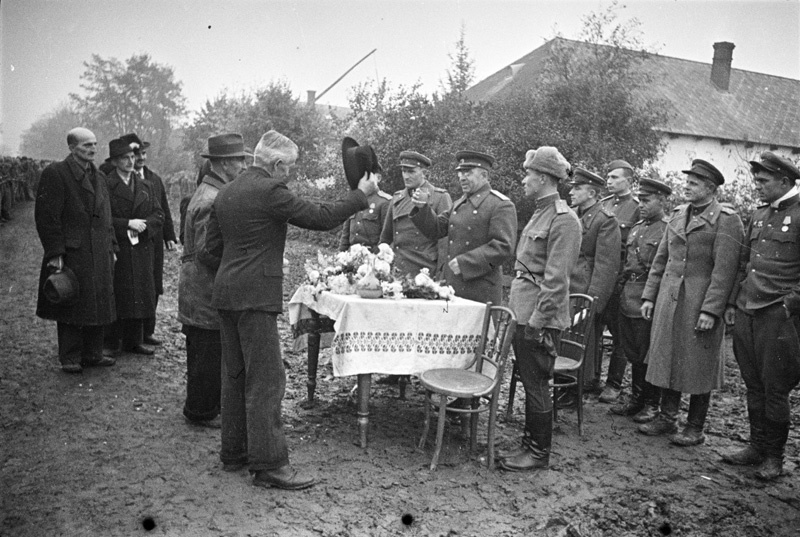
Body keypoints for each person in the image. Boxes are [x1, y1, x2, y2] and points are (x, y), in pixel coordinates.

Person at [203, 130, 378, 490]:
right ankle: (269, 466)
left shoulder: (227, 192)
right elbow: (320, 216)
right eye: (290, 168)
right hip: (254, 298)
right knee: (267, 381)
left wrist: (242, 264)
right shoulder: (270, 191)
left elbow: (209, 250)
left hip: (227, 295)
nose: (291, 176)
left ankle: (234, 454)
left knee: (235, 376)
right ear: (277, 164)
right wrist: (361, 196)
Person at [638, 159, 743, 446]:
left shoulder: (726, 220)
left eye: (694, 183)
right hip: (670, 299)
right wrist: (649, 296)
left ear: (710, 188)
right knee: (667, 355)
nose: (686, 187)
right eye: (687, 181)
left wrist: (712, 310)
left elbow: (725, 271)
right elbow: (661, 260)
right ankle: (666, 417)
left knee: (699, 364)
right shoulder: (678, 214)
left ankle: (695, 426)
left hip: (699, 302)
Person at [499, 147, 581, 471]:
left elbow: (557, 280)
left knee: (535, 383)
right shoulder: (541, 211)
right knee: (529, 378)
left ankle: (538, 453)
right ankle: (529, 443)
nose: (524, 180)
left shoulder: (564, 220)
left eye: (528, 174)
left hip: (539, 318)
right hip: (524, 310)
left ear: (544, 178)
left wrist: (537, 321)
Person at [722, 152, 800, 480]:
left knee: (775, 388)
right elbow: (743, 263)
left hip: (778, 316)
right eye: (756, 180)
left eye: (764, 180)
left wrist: (791, 303)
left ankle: (774, 458)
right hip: (747, 310)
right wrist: (731, 302)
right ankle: (756, 445)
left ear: (785, 181)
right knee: (752, 384)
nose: (758, 186)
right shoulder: (758, 215)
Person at [178, 133, 249, 428]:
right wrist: (238, 265)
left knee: (206, 347)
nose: (243, 166)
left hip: (200, 286)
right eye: (238, 160)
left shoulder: (210, 190)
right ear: (222, 163)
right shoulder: (212, 198)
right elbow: (208, 251)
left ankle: (205, 406)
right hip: (204, 287)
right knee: (206, 349)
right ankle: (201, 411)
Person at [35, 127, 117, 373]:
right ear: (72, 148)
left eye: (94, 144)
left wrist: (112, 245)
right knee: (70, 300)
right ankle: (70, 356)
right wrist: (55, 253)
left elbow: (107, 217)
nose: (92, 149)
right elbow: (47, 218)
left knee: (97, 301)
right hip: (74, 251)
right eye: (86, 145)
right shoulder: (56, 173)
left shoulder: (100, 176)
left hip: (99, 250)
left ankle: (93, 353)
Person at [409, 150, 517, 305]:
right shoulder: (460, 203)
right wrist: (422, 208)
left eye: (468, 173)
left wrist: (466, 262)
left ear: (484, 176)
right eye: (460, 173)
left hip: (480, 290)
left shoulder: (500, 205)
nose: (461, 178)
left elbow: (503, 247)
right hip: (454, 287)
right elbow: (437, 229)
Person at [609, 178, 672, 422]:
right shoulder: (637, 227)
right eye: (641, 200)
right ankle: (636, 399)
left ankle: (650, 403)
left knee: (648, 352)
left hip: (649, 296)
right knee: (632, 350)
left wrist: (653, 297)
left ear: (662, 201)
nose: (642, 205)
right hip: (628, 295)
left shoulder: (667, 228)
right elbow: (627, 263)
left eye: (647, 201)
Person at [105, 137, 164, 356]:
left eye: (132, 157)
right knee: (119, 292)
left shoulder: (146, 185)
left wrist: (145, 226)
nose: (131, 162)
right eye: (124, 158)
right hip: (118, 246)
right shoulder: (106, 185)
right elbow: (102, 218)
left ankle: (135, 340)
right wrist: (126, 224)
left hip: (141, 247)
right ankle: (111, 342)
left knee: (140, 291)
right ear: (114, 162)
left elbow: (159, 214)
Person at [567, 167, 621, 394]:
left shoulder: (605, 221)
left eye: (577, 189)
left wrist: (593, 302)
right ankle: (565, 385)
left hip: (584, 289)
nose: (572, 192)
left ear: (591, 193)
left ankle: (575, 389)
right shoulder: (572, 214)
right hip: (567, 286)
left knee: (581, 342)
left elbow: (606, 266)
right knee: (564, 339)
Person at [598, 160, 641, 403]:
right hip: (601, 277)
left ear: (629, 181)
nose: (609, 181)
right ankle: (591, 377)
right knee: (592, 328)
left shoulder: (635, 208)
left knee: (619, 336)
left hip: (620, 280)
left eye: (615, 177)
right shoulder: (603, 205)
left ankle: (613, 384)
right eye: (608, 177)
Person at [379, 151, 452, 277]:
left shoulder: (440, 197)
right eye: (403, 171)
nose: (406, 176)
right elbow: (385, 238)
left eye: (411, 171)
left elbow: (445, 244)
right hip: (399, 271)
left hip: (426, 272)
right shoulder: (397, 199)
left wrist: (442, 276)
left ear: (424, 173)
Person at [134, 138, 177, 346]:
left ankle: (148, 330)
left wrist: (169, 235)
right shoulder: (119, 178)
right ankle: (130, 333)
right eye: (136, 154)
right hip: (132, 239)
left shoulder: (154, 179)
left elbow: (164, 208)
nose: (141, 158)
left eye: (144, 154)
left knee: (154, 283)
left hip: (154, 238)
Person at [339, 151, 390, 252]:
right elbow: (345, 236)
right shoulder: (353, 199)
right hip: (351, 256)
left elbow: (387, 239)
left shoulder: (385, 202)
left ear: (378, 178)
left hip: (373, 259)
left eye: (367, 176)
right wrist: (340, 255)